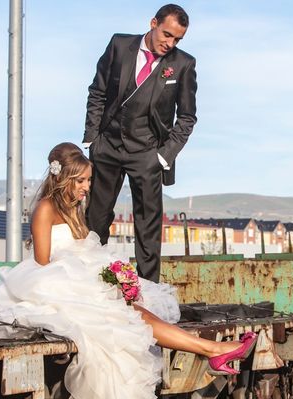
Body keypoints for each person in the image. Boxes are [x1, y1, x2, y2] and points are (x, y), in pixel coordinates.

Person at [0, 143, 256, 399]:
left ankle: (212, 352)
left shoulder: (73, 210)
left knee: (136, 312)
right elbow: (42, 263)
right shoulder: (46, 208)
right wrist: (90, 282)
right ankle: (212, 351)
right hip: (51, 286)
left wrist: (114, 277)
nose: (87, 187)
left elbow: (85, 252)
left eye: (88, 180)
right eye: (81, 181)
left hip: (80, 279)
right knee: (128, 318)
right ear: (63, 177)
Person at [84, 4, 197, 283]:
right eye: (167, 35)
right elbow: (98, 91)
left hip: (148, 154)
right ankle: (90, 281)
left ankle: (149, 292)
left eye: (177, 40)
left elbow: (187, 118)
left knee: (147, 228)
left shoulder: (183, 64)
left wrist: (162, 157)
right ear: (153, 23)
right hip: (107, 147)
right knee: (95, 220)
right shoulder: (119, 45)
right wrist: (91, 138)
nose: (169, 43)